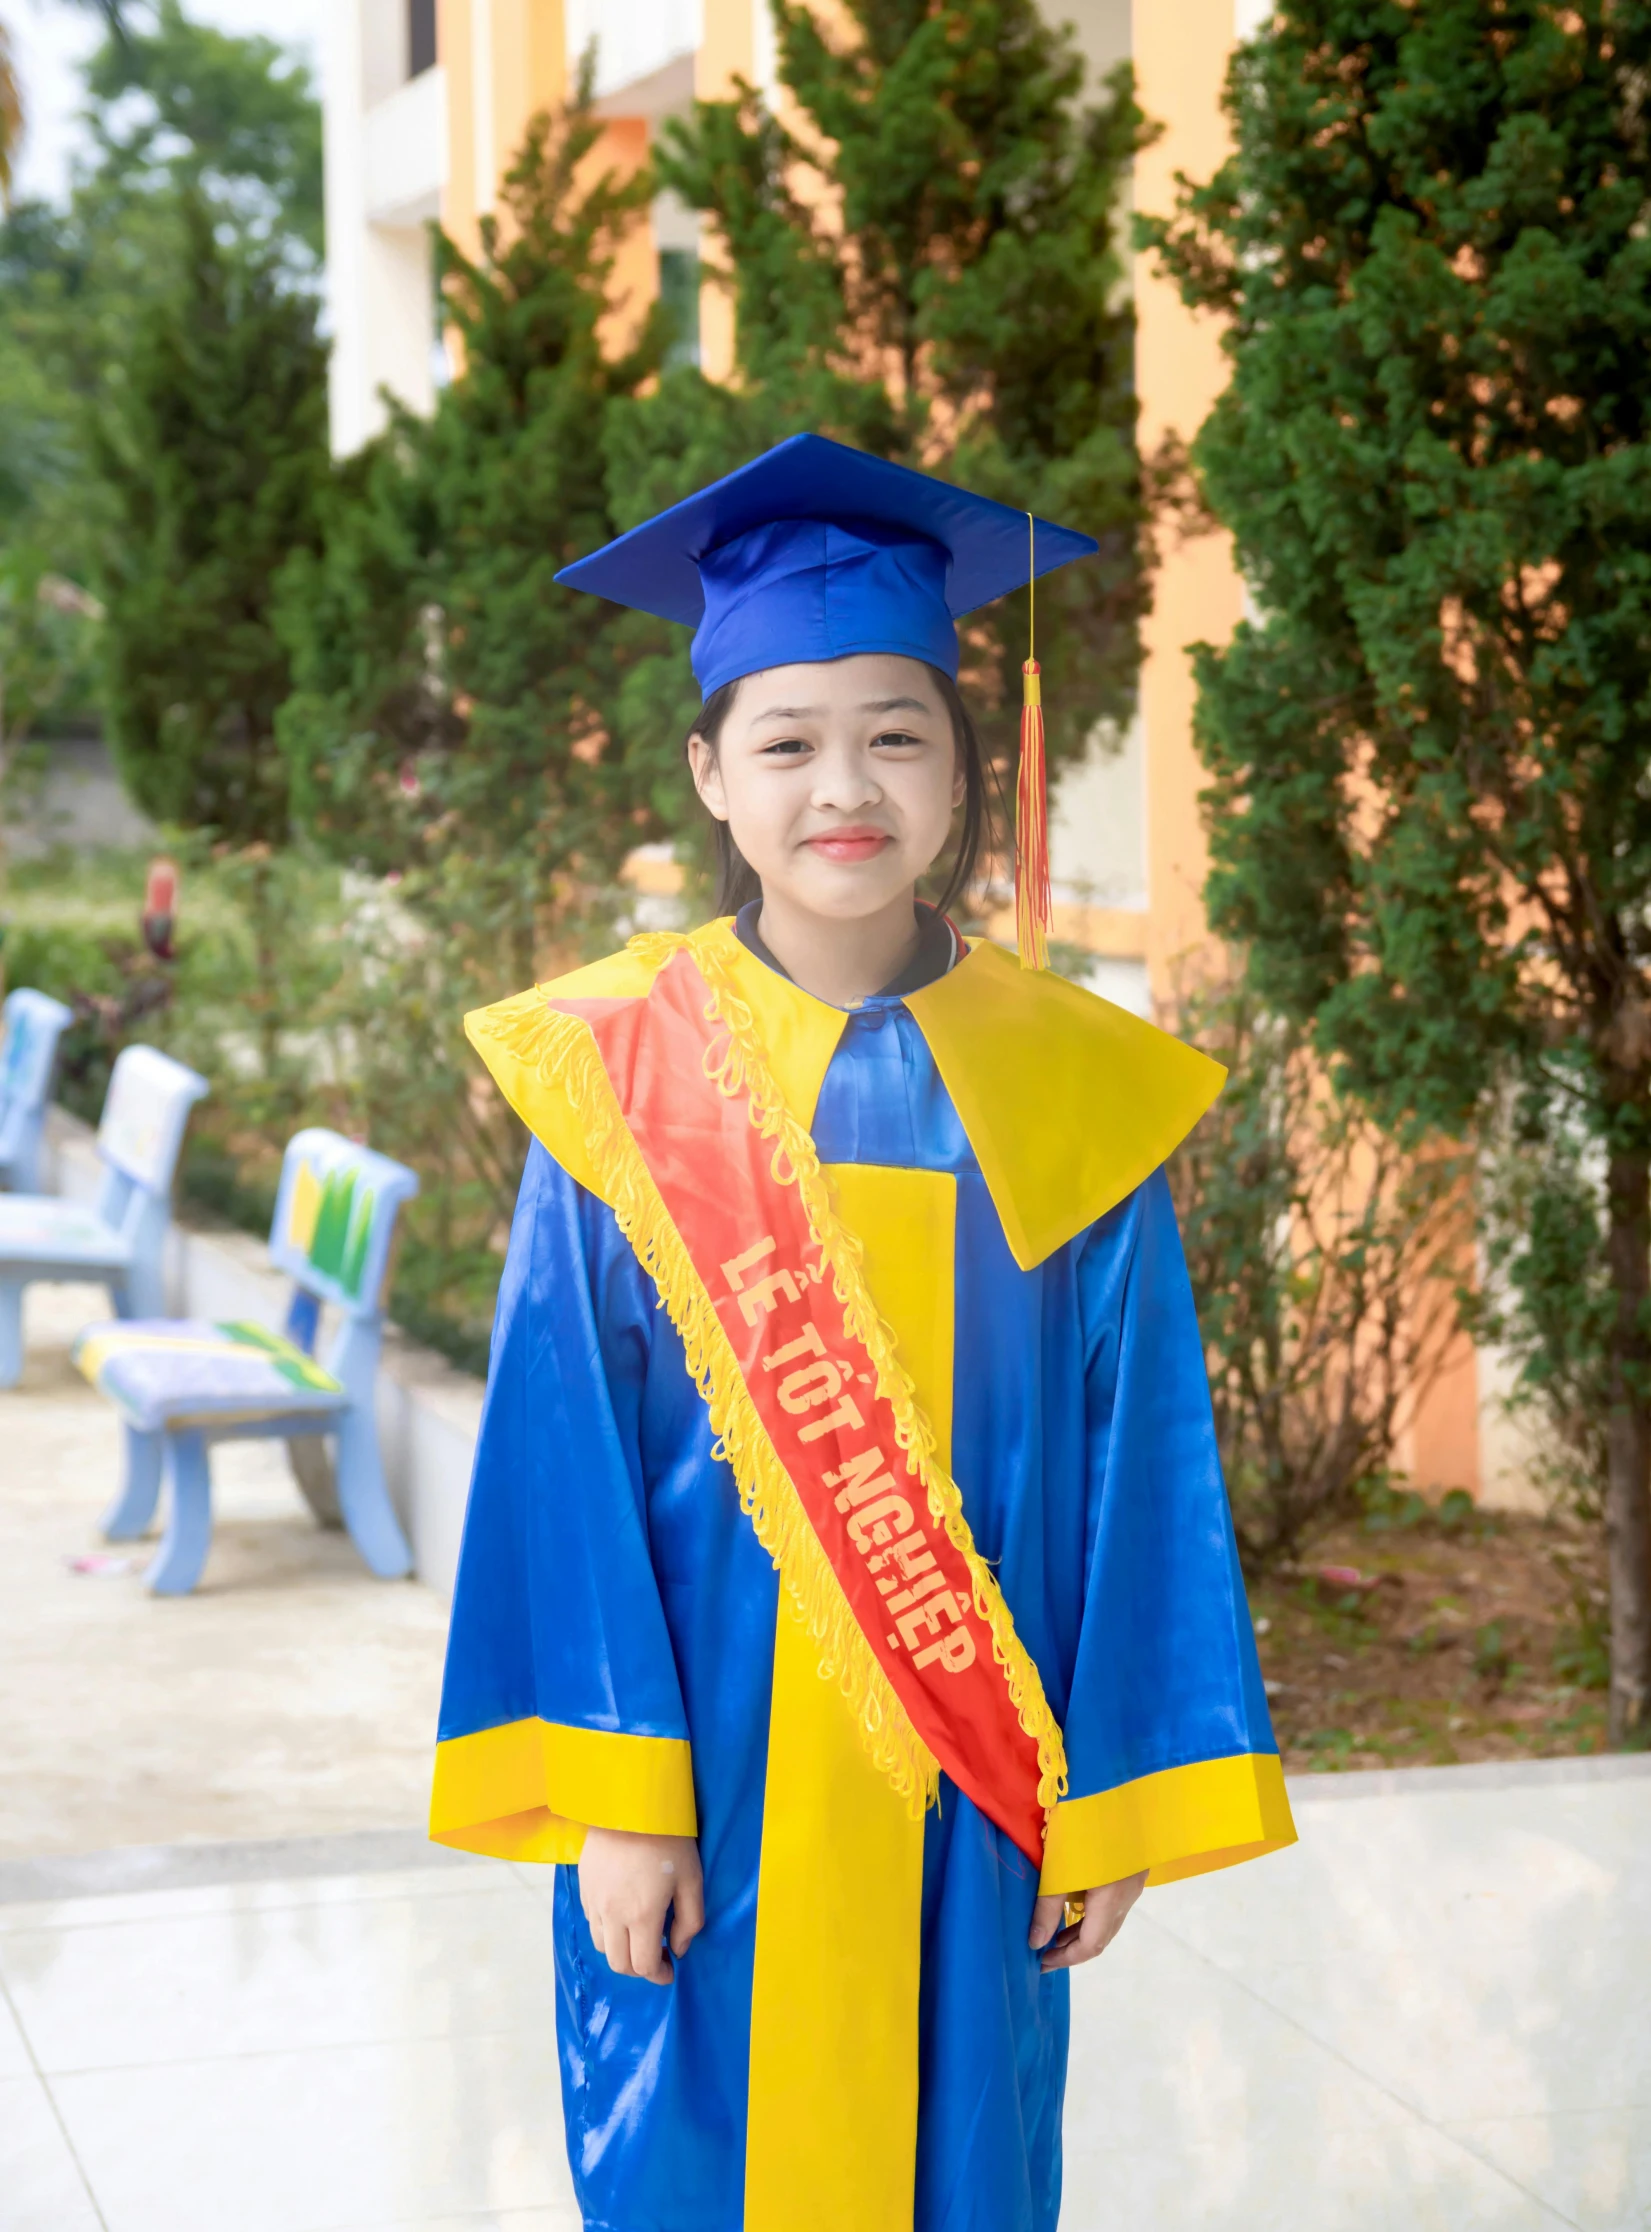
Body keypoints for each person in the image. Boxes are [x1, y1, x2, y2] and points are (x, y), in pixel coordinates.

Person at [429, 434, 1294, 2232]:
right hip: (711, 1782)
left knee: (960, 2161)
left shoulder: (1062, 1093)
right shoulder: (620, 1077)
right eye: (787, 741)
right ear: (709, 779)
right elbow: (559, 1469)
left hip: (974, 1778)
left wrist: (1112, 1796)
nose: (845, 785)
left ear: (965, 767)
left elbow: (1143, 1466)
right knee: (700, 2162)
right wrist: (618, 1802)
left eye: (896, 733)